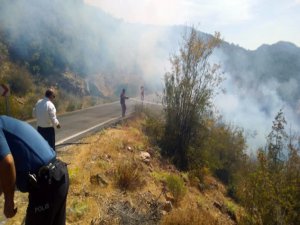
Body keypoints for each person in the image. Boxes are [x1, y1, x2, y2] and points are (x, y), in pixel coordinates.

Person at [0, 115, 69, 225]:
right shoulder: (4, 122)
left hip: (47, 182)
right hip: (58, 174)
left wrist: (9, 200)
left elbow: (7, 163)